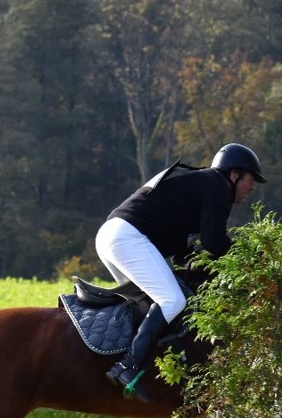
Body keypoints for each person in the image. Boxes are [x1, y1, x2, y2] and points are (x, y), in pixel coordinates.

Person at [95, 143, 266, 401]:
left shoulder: (203, 186)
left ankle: (146, 367)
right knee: (173, 300)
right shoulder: (217, 186)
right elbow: (214, 242)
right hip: (127, 238)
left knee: (155, 305)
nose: (252, 187)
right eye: (250, 179)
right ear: (234, 175)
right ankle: (128, 365)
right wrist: (249, 259)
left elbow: (188, 251)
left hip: (112, 235)